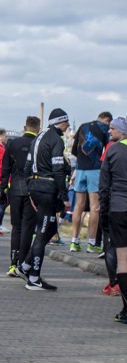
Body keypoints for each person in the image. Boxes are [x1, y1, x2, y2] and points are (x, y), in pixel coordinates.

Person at [17, 108, 71, 291]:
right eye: (66, 122)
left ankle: (24, 266)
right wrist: (64, 197)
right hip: (47, 189)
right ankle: (33, 278)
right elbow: (57, 170)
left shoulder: (39, 137)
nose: (68, 126)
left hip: (35, 186)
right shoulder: (56, 139)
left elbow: (26, 167)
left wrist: (30, 188)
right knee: (42, 232)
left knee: (50, 229)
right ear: (59, 122)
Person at [0, 116, 41, 277]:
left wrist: (3, 189)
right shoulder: (38, 144)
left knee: (16, 228)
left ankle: (12, 263)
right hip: (32, 191)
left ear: (25, 127)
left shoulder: (12, 143)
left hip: (15, 189)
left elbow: (5, 169)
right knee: (27, 229)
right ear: (38, 128)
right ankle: (23, 264)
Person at [70, 111, 112, 253]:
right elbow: (108, 150)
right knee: (95, 207)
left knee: (78, 206)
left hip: (80, 168)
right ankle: (92, 243)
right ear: (107, 120)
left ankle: (74, 242)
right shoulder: (105, 128)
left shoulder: (82, 126)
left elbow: (74, 150)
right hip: (95, 169)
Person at [99, 116, 127, 321]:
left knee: (123, 262)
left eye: (112, 128)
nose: (109, 132)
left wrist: (104, 212)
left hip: (119, 210)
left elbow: (104, 186)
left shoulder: (113, 150)